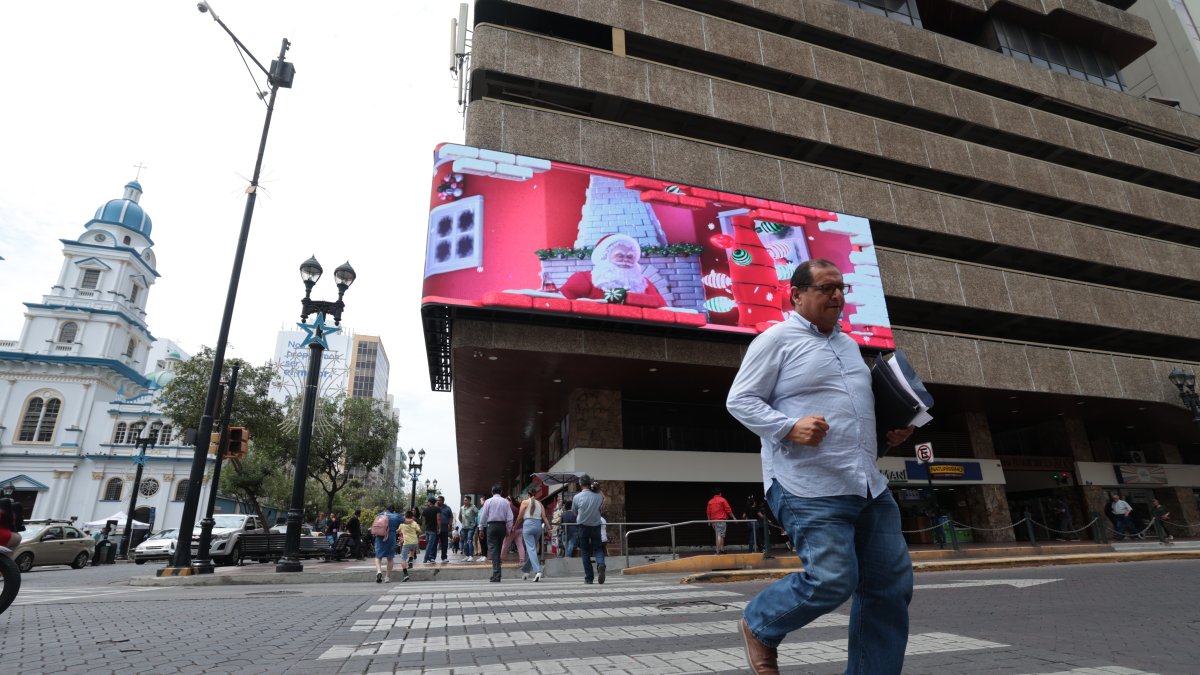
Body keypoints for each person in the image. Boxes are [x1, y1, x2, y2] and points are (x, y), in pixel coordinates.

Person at [727, 259, 916, 675]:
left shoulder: (849, 345)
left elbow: (852, 413)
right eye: (826, 288)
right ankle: (759, 622)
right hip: (808, 486)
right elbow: (739, 400)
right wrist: (788, 426)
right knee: (831, 579)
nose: (837, 296)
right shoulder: (775, 339)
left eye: (842, 288)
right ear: (796, 295)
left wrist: (889, 433)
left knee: (890, 588)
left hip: (867, 485)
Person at [560, 233, 666, 308]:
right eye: (620, 256)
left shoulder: (644, 284)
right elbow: (561, 302)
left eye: (630, 257)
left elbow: (663, 309)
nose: (625, 260)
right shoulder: (583, 278)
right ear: (605, 256)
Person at [573, 476, 605, 584]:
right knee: (598, 548)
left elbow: (574, 512)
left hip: (583, 526)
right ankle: (601, 564)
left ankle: (589, 578)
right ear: (589, 483)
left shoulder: (577, 497)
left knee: (585, 551)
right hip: (596, 525)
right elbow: (602, 507)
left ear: (580, 483)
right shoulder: (599, 496)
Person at [516, 487, 552, 581]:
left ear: (528, 494)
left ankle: (538, 571)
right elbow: (544, 517)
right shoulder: (540, 503)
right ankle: (526, 571)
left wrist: (515, 526)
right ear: (535, 494)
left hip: (528, 525)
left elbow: (520, 517)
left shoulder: (524, 502)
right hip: (538, 526)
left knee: (531, 549)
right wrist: (549, 529)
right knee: (531, 549)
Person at [479, 484, 513, 582]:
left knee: (494, 550)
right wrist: (508, 529)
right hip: (502, 526)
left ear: (492, 492)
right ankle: (497, 573)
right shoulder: (506, 502)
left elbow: (483, 516)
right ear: (501, 492)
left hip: (491, 526)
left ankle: (496, 574)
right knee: (498, 549)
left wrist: (481, 528)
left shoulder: (488, 501)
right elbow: (510, 517)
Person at [371, 505, 404, 583]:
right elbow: (405, 521)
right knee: (390, 558)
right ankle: (387, 577)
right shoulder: (396, 516)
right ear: (393, 510)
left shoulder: (380, 515)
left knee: (378, 556)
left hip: (380, 536)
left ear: (386, 509)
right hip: (391, 536)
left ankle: (379, 571)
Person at [707, 488, 735, 555]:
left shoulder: (710, 502)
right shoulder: (723, 500)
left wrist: (709, 521)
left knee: (721, 535)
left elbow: (708, 512)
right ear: (720, 493)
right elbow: (728, 510)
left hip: (713, 521)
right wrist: (734, 517)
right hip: (721, 520)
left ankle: (722, 549)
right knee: (719, 535)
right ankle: (718, 551)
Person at [397, 511, 422, 581]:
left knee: (403, 559)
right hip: (414, 541)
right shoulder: (414, 523)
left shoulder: (402, 523)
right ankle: (410, 560)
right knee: (412, 549)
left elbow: (398, 531)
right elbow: (420, 531)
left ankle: (405, 574)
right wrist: (416, 534)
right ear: (412, 516)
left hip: (407, 542)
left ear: (405, 516)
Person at [421, 498, 442, 563]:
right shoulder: (437, 509)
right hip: (433, 530)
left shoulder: (425, 510)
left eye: (428, 501)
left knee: (428, 544)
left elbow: (424, 521)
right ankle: (425, 558)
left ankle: (429, 557)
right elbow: (438, 518)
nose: (427, 502)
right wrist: (439, 528)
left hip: (427, 529)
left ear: (430, 502)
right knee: (430, 545)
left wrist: (423, 529)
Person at [459, 495, 478, 562]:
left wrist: (475, 523)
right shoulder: (462, 508)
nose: (465, 501)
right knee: (464, 542)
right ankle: (466, 556)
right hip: (464, 528)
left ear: (470, 501)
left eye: (466, 500)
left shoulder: (473, 507)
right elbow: (460, 517)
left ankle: (471, 556)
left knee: (469, 540)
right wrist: (463, 523)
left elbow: (477, 515)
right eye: (464, 500)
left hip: (471, 527)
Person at [437, 496, 454, 563]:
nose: (438, 501)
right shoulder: (435, 507)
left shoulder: (447, 508)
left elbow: (451, 517)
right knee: (434, 543)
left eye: (440, 500)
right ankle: (432, 557)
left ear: (443, 501)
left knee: (444, 543)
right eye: (437, 500)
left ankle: (444, 557)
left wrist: (450, 525)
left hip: (444, 528)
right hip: (436, 528)